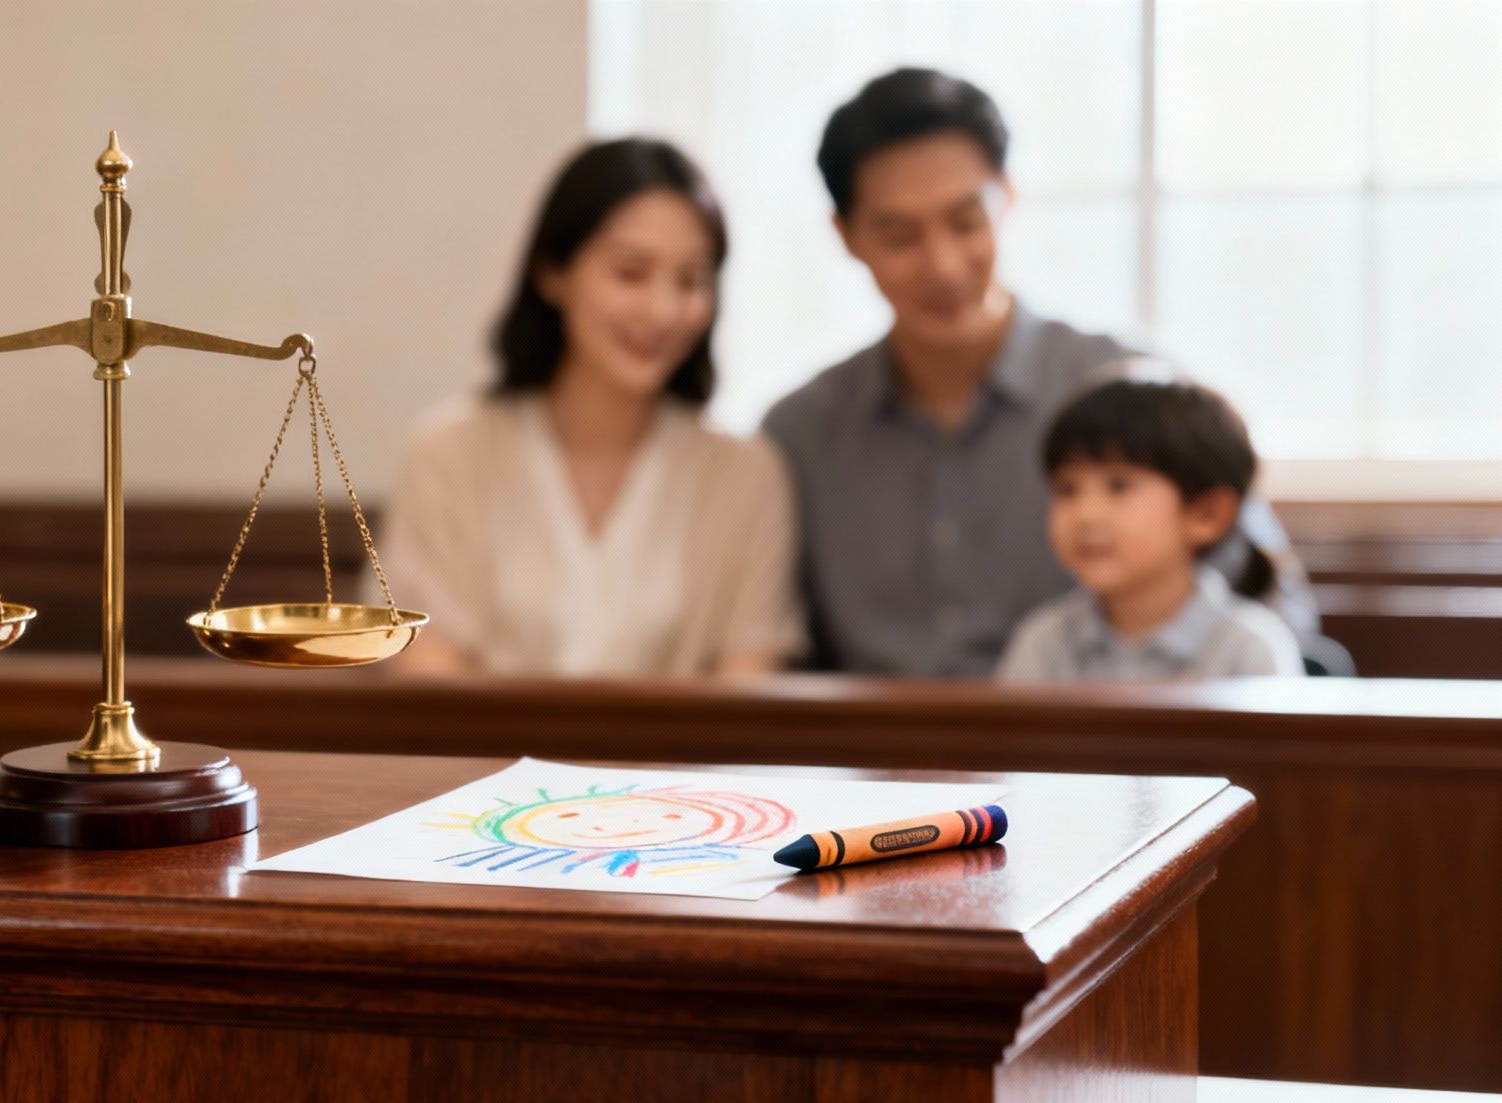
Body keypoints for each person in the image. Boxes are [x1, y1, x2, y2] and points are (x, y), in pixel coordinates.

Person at [762, 68, 1317, 677]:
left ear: (1009, 198)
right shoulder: (801, 433)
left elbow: (1268, 611)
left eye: (966, 221)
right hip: (866, 766)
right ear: (845, 236)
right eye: (899, 235)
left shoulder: (1132, 392)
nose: (942, 265)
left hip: (1100, 759)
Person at [375, 138, 804, 679]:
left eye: (691, 280)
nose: (663, 309)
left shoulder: (747, 474)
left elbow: (746, 689)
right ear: (553, 272)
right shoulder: (448, 456)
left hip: (681, 766)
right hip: (479, 765)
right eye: (630, 273)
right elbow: (426, 675)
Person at [997, 378, 1303, 681]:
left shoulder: (1249, 651)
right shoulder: (1042, 643)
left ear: (1206, 514)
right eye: (1068, 489)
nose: (1085, 514)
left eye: (1118, 486)